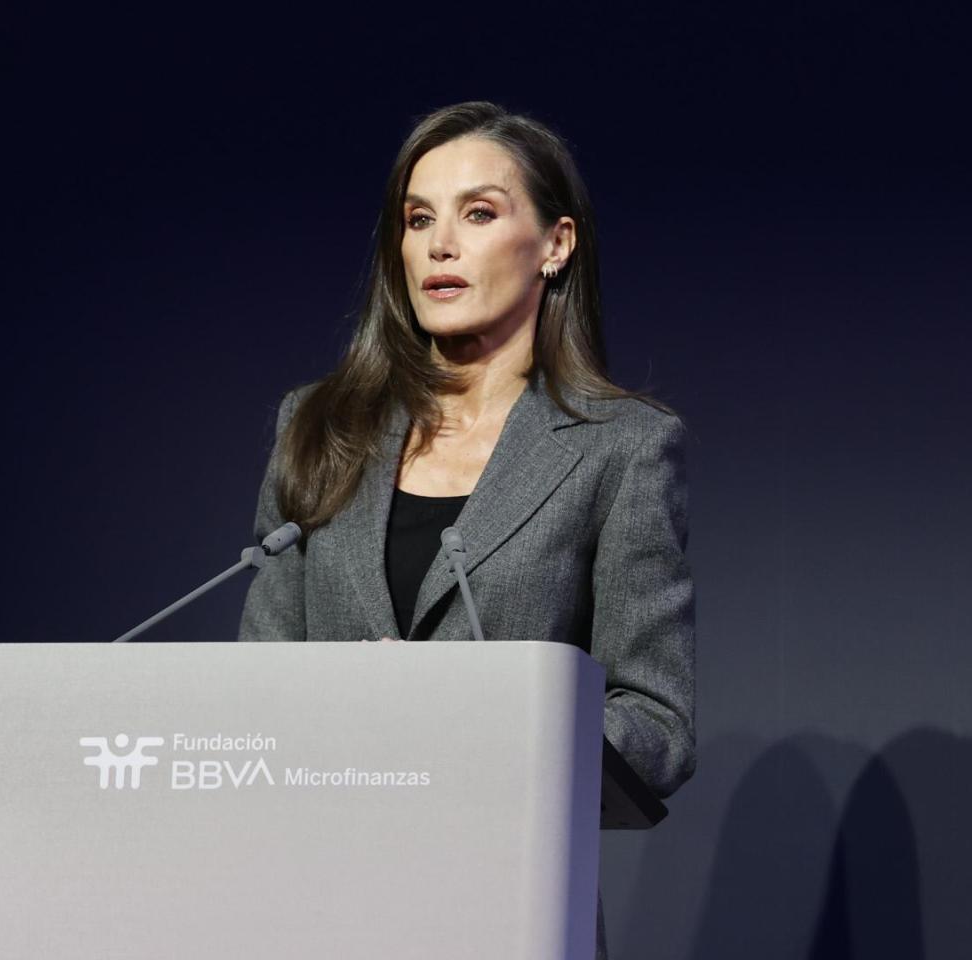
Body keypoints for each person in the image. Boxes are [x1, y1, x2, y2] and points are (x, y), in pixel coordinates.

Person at [237, 101, 694, 957]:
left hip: (505, 911)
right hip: (319, 910)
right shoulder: (318, 426)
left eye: (478, 213)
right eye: (419, 219)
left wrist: (481, 712)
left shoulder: (621, 449)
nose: (440, 244)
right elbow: (261, 690)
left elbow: (657, 727)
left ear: (555, 245)